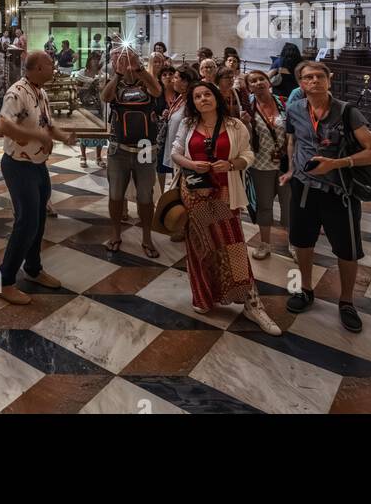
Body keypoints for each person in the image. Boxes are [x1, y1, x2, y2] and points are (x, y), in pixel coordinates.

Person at [280, 60, 371, 332]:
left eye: (318, 76)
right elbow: (292, 141)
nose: (313, 81)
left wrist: (337, 164)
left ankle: (347, 301)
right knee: (303, 243)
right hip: (304, 189)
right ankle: (305, 289)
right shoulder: (293, 110)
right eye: (307, 77)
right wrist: (292, 169)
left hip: (339, 192)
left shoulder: (347, 112)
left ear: (329, 80)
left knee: (347, 250)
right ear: (301, 84)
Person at [170, 80, 282, 334]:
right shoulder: (187, 124)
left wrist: (231, 165)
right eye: (197, 97)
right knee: (199, 245)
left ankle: (251, 303)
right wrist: (189, 163)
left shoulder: (234, 125)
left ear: (216, 97)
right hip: (194, 193)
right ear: (193, 102)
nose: (202, 100)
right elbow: (174, 153)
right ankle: (204, 296)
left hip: (224, 192)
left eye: (207, 94)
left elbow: (249, 155)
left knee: (231, 245)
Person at [0, 50, 75, 304]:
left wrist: (62, 136)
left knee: (39, 220)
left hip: (37, 164)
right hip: (18, 165)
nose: (54, 67)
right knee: (26, 222)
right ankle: (4, 281)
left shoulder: (40, 92)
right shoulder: (16, 92)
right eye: (50, 64)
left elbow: (47, 124)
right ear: (38, 68)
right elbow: (3, 125)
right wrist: (37, 137)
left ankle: (33, 269)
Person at [101, 46, 163, 257]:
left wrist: (140, 70)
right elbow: (106, 97)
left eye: (129, 58)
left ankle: (147, 237)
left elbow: (157, 91)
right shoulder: (115, 83)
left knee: (146, 195)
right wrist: (118, 74)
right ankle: (115, 234)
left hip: (145, 147)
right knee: (116, 194)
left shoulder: (145, 82)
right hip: (119, 148)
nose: (125, 63)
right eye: (120, 60)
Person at [244, 70, 288, 258]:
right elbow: (244, 139)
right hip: (260, 165)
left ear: (269, 82)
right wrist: (246, 123)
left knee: (289, 205)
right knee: (264, 206)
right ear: (249, 88)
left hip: (285, 165)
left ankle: (294, 243)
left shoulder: (283, 103)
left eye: (262, 79)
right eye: (253, 81)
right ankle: (264, 243)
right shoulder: (248, 109)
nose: (259, 82)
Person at [155, 65, 187, 195]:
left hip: (178, 136)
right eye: (165, 75)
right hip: (163, 136)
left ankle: (175, 195)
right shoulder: (158, 94)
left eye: (171, 75)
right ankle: (161, 195)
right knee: (161, 167)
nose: (169, 78)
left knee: (177, 167)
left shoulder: (180, 95)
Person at [75, 51, 107, 169]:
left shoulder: (102, 73)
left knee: (99, 132)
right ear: (89, 60)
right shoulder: (82, 73)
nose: (95, 61)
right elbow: (76, 87)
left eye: (98, 59)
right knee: (84, 131)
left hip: (98, 105)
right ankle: (83, 156)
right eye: (94, 59)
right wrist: (87, 86)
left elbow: (104, 87)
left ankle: (99, 156)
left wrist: (99, 86)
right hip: (85, 103)